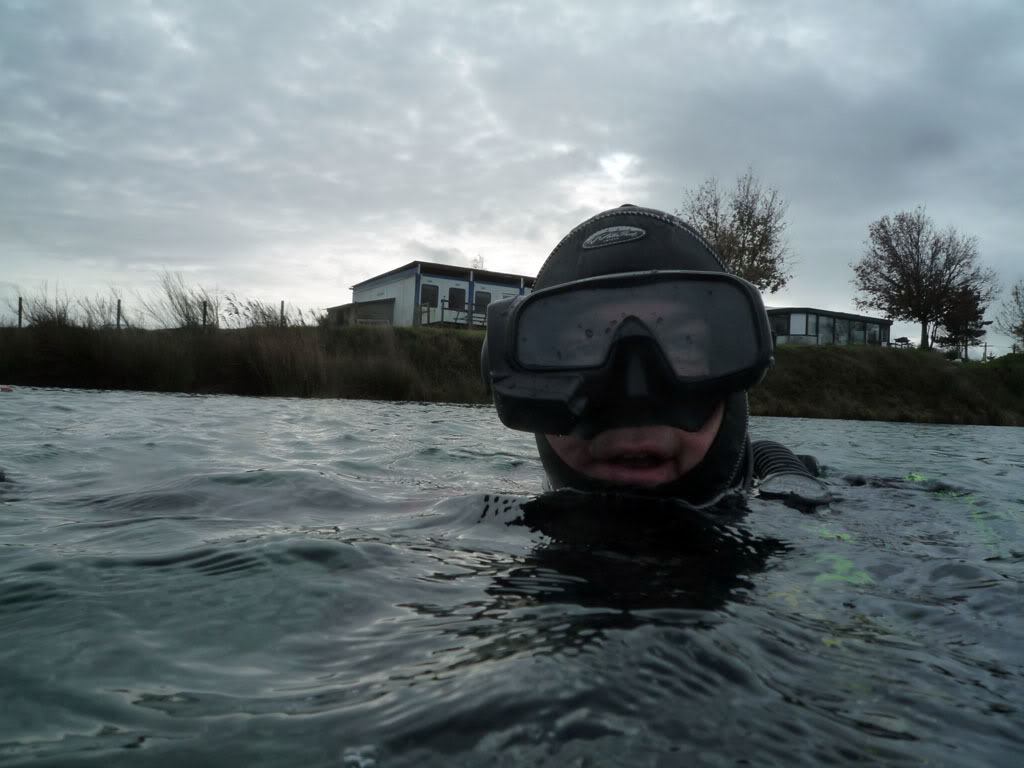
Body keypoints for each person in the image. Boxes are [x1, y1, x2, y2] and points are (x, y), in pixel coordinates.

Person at [482, 204, 825, 509]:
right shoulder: (450, 515)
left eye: (683, 342)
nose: (635, 396)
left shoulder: (819, 530)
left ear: (735, 363)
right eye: (584, 345)